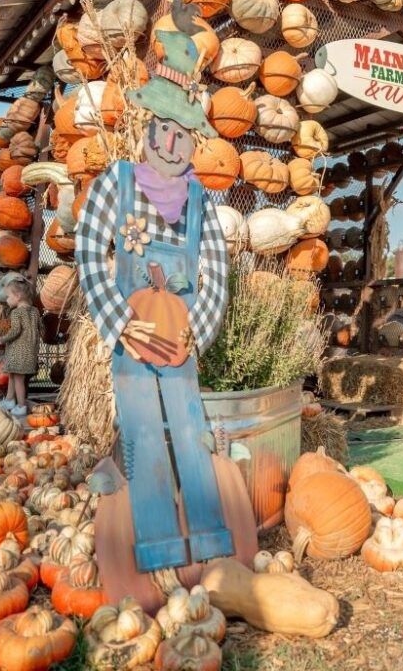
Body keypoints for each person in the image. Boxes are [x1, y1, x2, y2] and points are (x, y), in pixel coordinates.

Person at [77, 29, 232, 573]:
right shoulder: (114, 184)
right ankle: (158, 545)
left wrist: (200, 326)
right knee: (143, 429)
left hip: (181, 338)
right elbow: (90, 252)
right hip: (133, 338)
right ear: (148, 131)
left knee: (189, 429)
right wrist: (118, 320)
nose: (171, 145)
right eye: (163, 131)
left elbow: (216, 269)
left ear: (193, 143)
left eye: (182, 137)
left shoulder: (200, 201)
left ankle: (211, 541)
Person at [0, 278, 41, 416]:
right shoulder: (35, 312)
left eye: (8, 297)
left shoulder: (16, 313)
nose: (7, 300)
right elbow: (38, 329)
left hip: (18, 352)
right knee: (13, 375)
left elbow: (15, 331)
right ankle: (9, 399)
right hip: (29, 352)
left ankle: (21, 407)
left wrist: (2, 339)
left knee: (18, 380)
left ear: (18, 297)